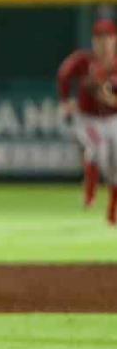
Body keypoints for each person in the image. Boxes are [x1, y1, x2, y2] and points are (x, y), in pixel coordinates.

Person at [57, 19, 117, 225]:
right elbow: (64, 74)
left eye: (107, 38)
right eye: (99, 38)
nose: (103, 42)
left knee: (114, 163)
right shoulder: (84, 61)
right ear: (93, 41)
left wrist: (109, 98)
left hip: (113, 118)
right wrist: (66, 101)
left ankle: (112, 209)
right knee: (97, 149)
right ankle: (90, 195)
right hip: (88, 118)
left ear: (114, 40)